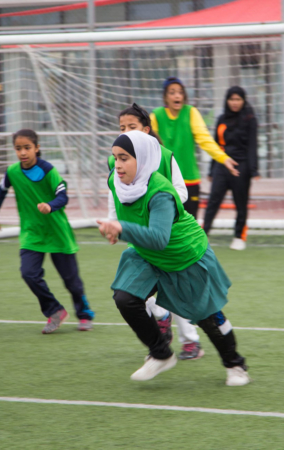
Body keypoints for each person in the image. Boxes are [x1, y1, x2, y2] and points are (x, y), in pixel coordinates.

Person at [98, 130, 249, 386]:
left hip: (184, 254)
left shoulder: (161, 193)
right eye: (115, 157)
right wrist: (115, 227)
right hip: (147, 253)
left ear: (143, 159)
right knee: (126, 298)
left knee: (207, 317)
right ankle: (161, 354)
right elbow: (127, 215)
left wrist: (122, 229)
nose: (118, 164)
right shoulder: (115, 177)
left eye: (124, 158)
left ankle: (235, 364)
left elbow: (159, 238)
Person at [108, 103, 204, 361]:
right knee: (135, 291)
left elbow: (181, 192)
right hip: (139, 240)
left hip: (169, 241)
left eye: (132, 127)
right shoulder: (116, 159)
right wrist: (114, 223)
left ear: (147, 130)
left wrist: (161, 210)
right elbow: (114, 193)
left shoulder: (164, 156)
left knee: (179, 292)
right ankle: (161, 323)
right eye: (122, 128)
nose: (127, 132)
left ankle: (191, 341)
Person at [0, 129, 94, 334]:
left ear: (37, 148)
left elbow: (63, 197)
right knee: (28, 273)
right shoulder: (12, 172)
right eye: (18, 148)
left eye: (27, 148)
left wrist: (50, 205)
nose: (23, 153)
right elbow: (1, 191)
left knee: (71, 281)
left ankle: (85, 314)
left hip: (56, 231)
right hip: (32, 233)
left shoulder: (48, 171)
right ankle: (54, 311)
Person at [150, 76, 240, 219]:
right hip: (164, 182)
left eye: (180, 92)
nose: (177, 95)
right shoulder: (156, 116)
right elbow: (147, 144)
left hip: (189, 181)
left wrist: (223, 158)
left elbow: (204, 139)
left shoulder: (191, 112)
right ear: (165, 97)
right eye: (172, 92)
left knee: (190, 227)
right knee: (166, 228)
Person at [204, 86, 260, 251]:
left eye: (238, 99)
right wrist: (211, 169)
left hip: (241, 167)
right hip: (222, 165)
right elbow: (215, 145)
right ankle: (203, 234)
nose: (235, 103)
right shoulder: (221, 119)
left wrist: (253, 169)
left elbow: (252, 146)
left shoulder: (250, 119)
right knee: (213, 201)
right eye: (232, 99)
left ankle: (238, 237)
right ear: (227, 100)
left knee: (241, 204)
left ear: (244, 101)